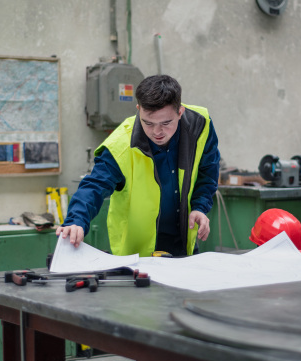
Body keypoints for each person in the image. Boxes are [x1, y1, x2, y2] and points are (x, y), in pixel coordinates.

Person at [56, 74, 221, 258]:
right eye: (148, 123)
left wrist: (199, 207)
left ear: (180, 112)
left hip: (183, 243)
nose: (157, 132)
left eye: (166, 123)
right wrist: (76, 220)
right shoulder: (121, 145)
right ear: (138, 110)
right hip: (138, 255)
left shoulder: (200, 125)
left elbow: (208, 172)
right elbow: (95, 185)